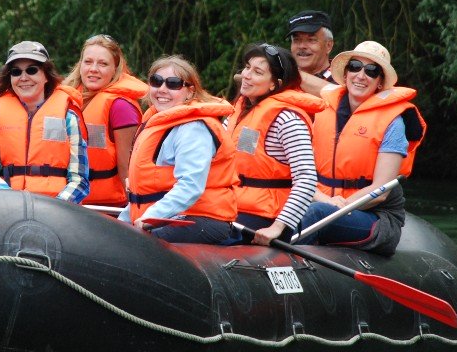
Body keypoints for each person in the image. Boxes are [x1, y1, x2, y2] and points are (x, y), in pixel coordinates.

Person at [297, 41, 426, 255]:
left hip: (374, 217)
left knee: (315, 213)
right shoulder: (322, 110)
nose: (361, 75)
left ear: (380, 83)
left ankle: (293, 264)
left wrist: (336, 206)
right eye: (355, 66)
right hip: (324, 202)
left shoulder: (393, 123)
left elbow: (380, 192)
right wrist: (327, 201)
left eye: (371, 71)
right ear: (346, 74)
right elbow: (304, 176)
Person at [118, 55, 238, 244]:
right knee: (119, 238)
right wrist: (122, 224)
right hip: (166, 216)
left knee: (134, 244)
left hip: (200, 218)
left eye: (173, 84)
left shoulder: (193, 128)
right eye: (156, 82)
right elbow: (143, 194)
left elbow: (191, 185)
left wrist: (149, 218)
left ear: (190, 92)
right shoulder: (155, 122)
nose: (162, 89)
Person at [228, 44, 322, 246]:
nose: (246, 75)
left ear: (274, 84)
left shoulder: (287, 120)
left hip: (267, 216)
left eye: (257, 72)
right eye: (247, 67)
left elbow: (306, 180)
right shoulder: (239, 112)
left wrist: (277, 228)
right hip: (231, 205)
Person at [0, 41, 89, 203]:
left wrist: (55, 207)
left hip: (56, 209)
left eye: (32, 70)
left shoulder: (68, 117)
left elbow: (79, 180)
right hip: (9, 206)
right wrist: (13, 201)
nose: (23, 78)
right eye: (16, 72)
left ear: (46, 75)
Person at [64, 34, 148, 206]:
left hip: (108, 208)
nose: (93, 69)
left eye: (103, 64)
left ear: (115, 69)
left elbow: (128, 169)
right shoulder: (67, 100)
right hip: (69, 202)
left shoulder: (121, 107)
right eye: (88, 62)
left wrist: (134, 210)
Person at [286, 10, 335, 97]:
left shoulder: (346, 78)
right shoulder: (280, 81)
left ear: (328, 46)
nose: (302, 46)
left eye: (311, 40)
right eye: (296, 40)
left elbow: (340, 96)